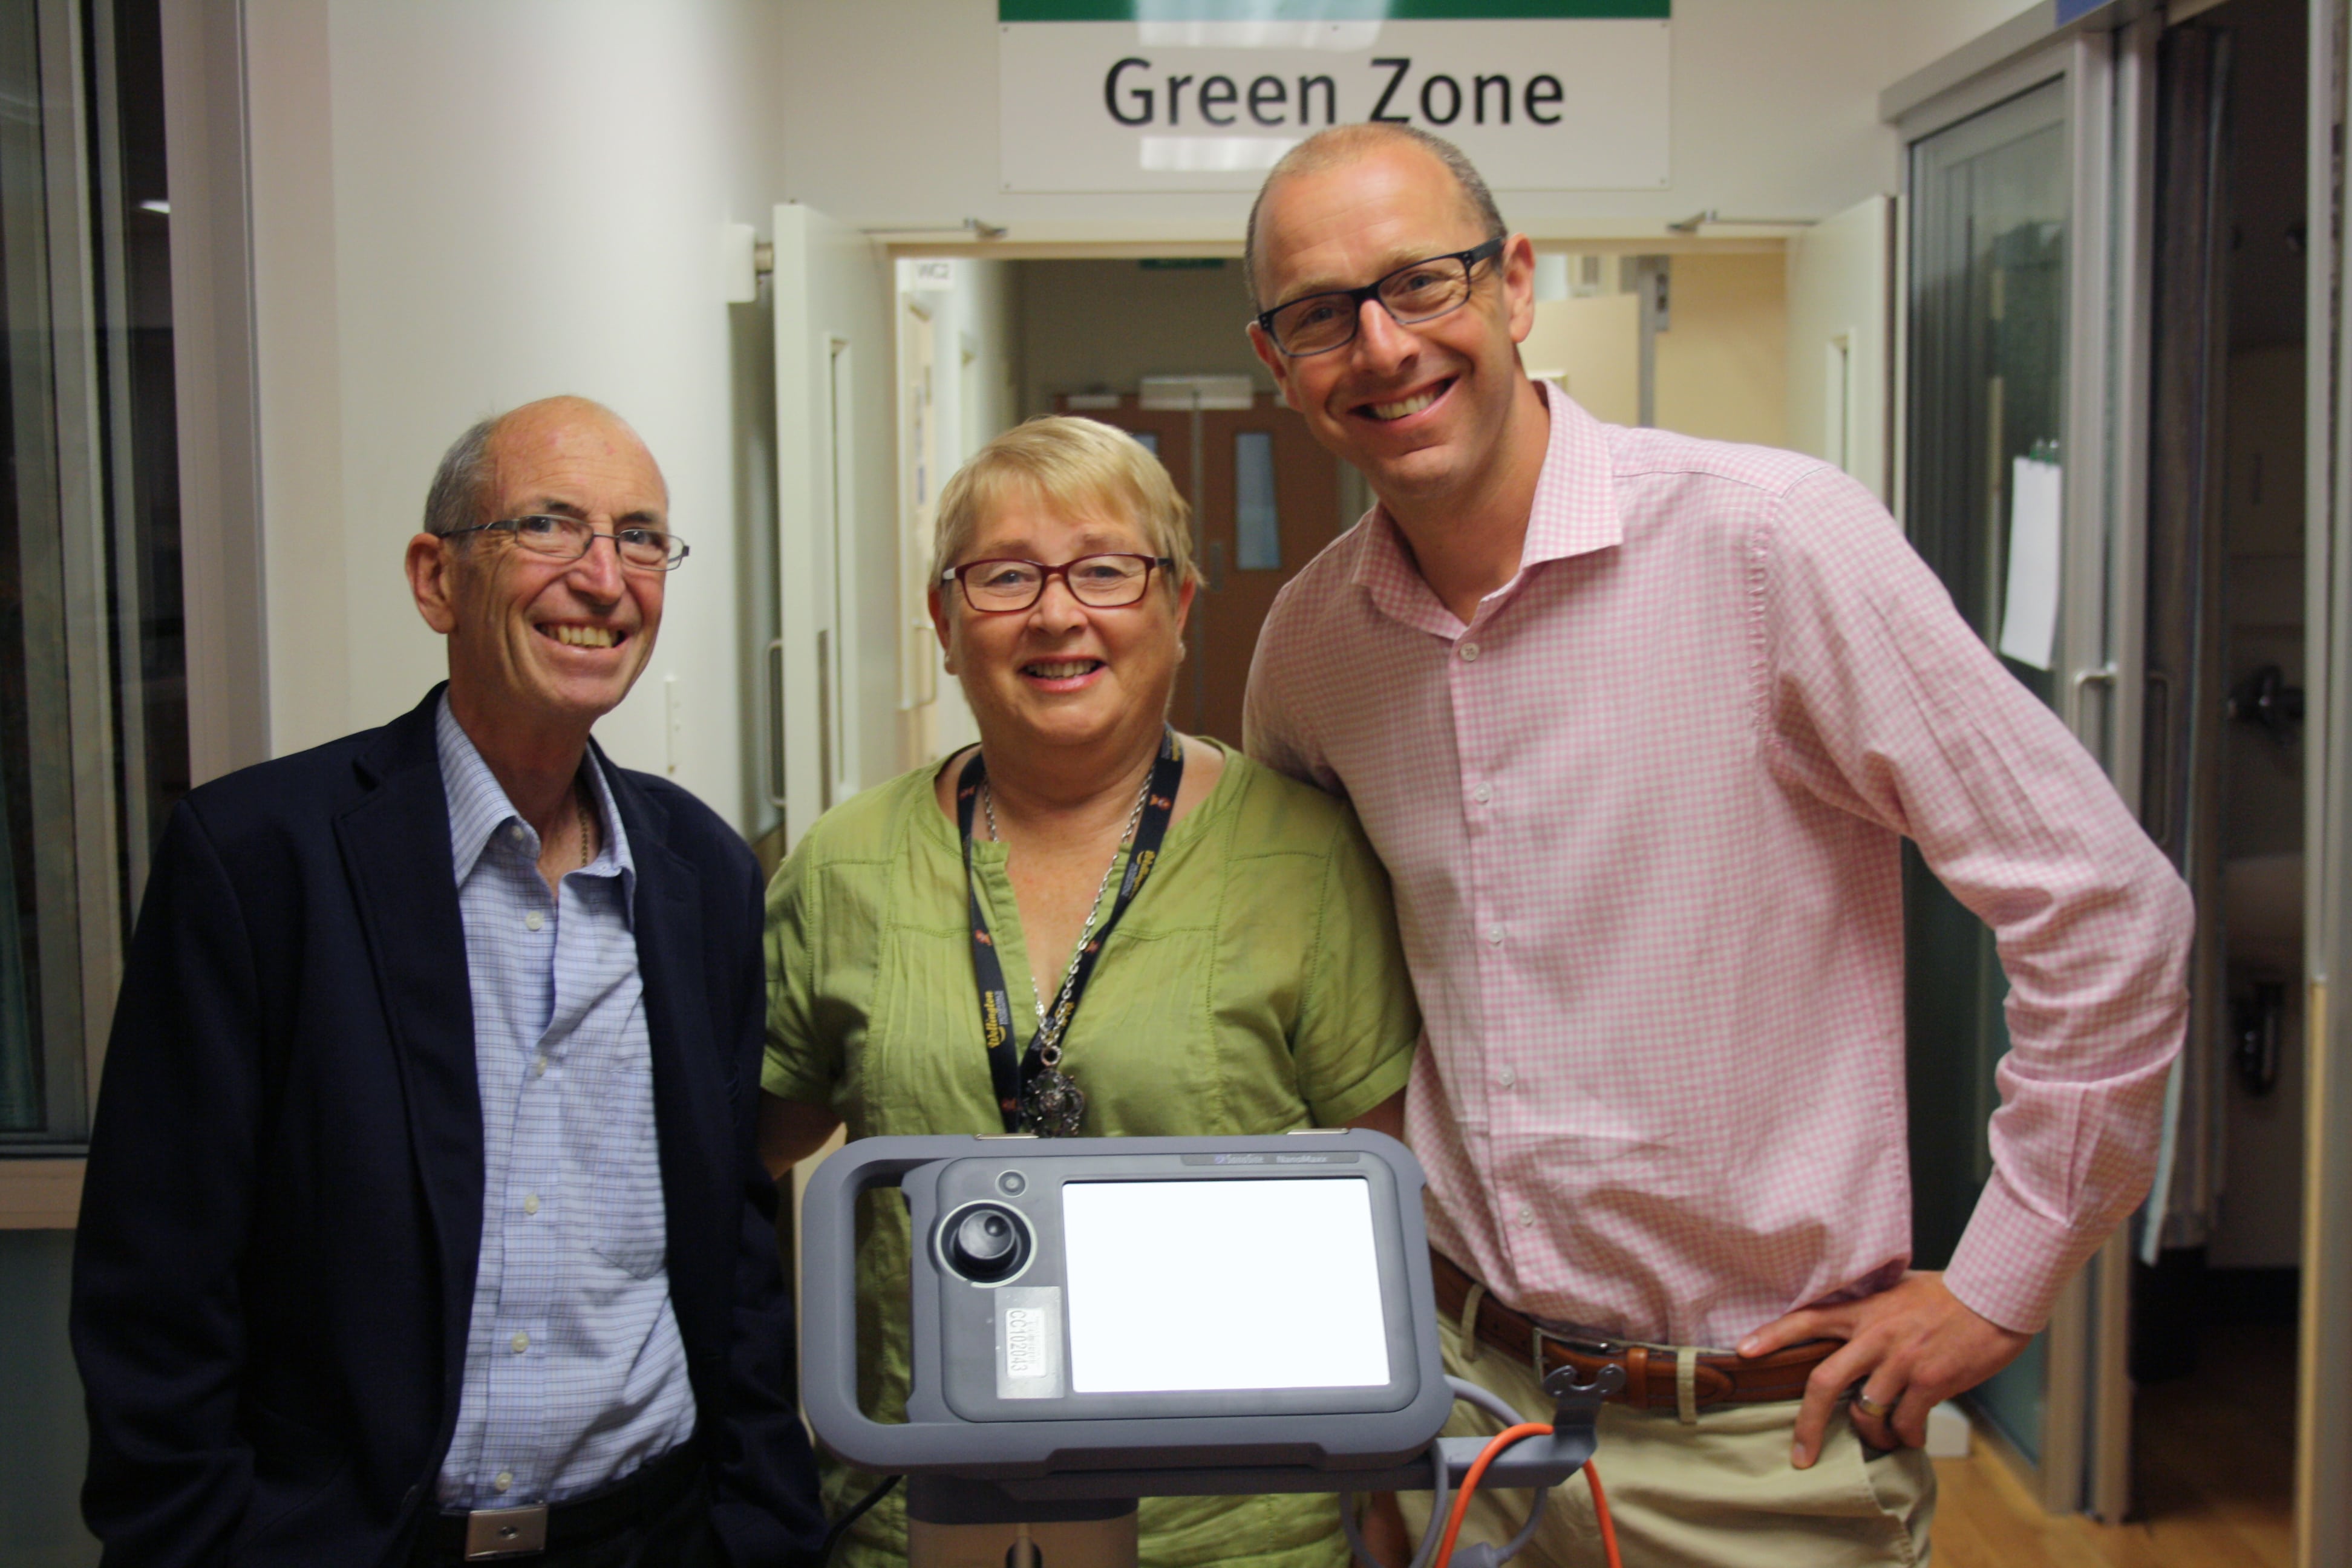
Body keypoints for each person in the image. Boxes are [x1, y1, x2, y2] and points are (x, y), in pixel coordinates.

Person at [1239, 125, 2194, 1567]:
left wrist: (2000, 1284)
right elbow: (1319, 1005)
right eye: (1321, 313)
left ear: (1513, 287)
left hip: (1766, 1445)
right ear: (1279, 363)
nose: (1379, 348)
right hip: (1471, 1418)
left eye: (1421, 284)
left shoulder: (1774, 545)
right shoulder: (1312, 648)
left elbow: (2108, 911)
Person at [72, 397, 825, 1567]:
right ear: (437, 580)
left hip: (658, 1533)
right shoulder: (264, 862)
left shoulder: (702, 874)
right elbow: (160, 1277)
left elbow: (733, 1247)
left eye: (639, 538)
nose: (603, 578)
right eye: (549, 527)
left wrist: (764, 1521)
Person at [757, 414, 1420, 1568]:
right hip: (919, 1506)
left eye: (1108, 569)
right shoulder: (846, 864)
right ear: (946, 621)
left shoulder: (1303, 855)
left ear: (1180, 603)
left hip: (1234, 1520)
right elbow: (751, 1148)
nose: (1058, 613)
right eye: (1005, 575)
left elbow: (1391, 1199)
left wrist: (1385, 1474)